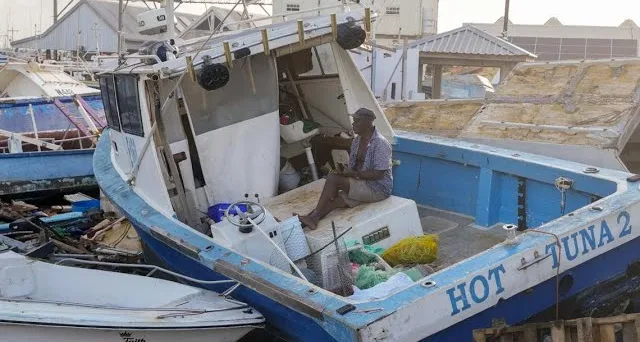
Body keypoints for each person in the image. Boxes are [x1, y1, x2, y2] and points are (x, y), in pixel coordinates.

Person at [298, 107, 393, 230]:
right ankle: (310, 220)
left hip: (377, 188)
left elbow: (379, 174)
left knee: (333, 180)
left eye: (357, 121)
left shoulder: (380, 143)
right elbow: (354, 166)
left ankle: (312, 217)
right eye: (353, 120)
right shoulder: (357, 141)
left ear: (368, 122)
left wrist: (353, 174)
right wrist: (344, 172)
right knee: (336, 200)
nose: (353, 124)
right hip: (362, 183)